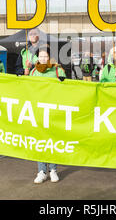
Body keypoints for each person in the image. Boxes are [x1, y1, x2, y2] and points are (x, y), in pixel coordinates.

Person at [30, 45, 66, 184]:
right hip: (38, 111)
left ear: (49, 57)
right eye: (41, 56)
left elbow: (67, 87)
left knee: (52, 140)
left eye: (45, 56)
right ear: (37, 57)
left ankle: (53, 170)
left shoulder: (57, 70)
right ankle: (41, 171)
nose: (43, 58)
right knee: (40, 141)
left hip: (53, 110)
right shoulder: (33, 72)